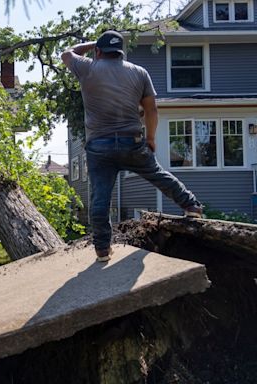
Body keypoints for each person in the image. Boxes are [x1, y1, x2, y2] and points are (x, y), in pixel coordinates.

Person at [61, 30, 203, 262]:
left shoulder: (88, 67)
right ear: (121, 52)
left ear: (98, 51)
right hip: (132, 141)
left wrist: (92, 43)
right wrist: (151, 138)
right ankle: (192, 207)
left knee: (100, 198)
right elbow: (151, 110)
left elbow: (67, 53)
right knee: (157, 174)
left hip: (99, 147)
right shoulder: (139, 72)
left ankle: (103, 250)